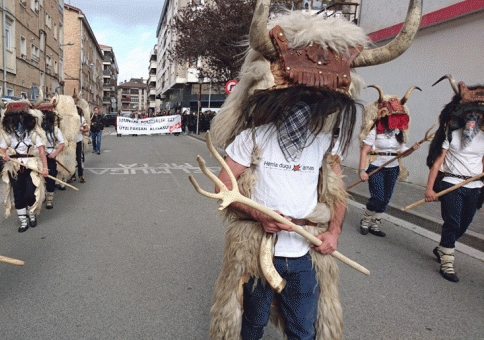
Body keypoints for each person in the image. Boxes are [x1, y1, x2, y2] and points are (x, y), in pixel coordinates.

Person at [206, 2, 420, 339]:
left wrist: (333, 232)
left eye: (312, 101)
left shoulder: (324, 145)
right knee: (251, 326)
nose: (301, 109)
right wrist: (258, 215)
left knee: (303, 329)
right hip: (256, 251)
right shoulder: (252, 138)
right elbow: (223, 187)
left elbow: (335, 195)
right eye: (295, 99)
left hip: (302, 255)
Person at [425, 75, 484, 283]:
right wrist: (430, 189)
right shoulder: (451, 132)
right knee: (452, 221)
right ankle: (447, 263)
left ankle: (443, 247)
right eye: (470, 115)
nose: (472, 120)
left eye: (477, 115)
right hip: (451, 183)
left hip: (474, 185)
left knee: (464, 223)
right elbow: (437, 162)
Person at [358, 85, 421, 237]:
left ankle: (375, 225)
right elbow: (365, 150)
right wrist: (362, 170)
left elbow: (402, 153)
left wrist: (411, 149)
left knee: (386, 198)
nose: (396, 120)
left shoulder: (399, 132)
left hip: (392, 168)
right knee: (377, 196)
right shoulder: (375, 130)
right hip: (376, 167)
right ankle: (365, 220)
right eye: (393, 117)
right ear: (385, 116)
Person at [0, 93, 48, 233]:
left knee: (30, 194)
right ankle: (23, 222)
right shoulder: (8, 134)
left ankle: (32, 214)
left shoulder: (34, 133)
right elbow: (1, 149)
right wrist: (5, 156)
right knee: (18, 195)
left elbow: (42, 152)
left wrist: (45, 168)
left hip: (30, 167)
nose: (19, 121)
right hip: (14, 168)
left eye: (21, 118)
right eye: (15, 118)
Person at [40, 107, 65, 209]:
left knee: (51, 178)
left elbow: (62, 143)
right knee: (41, 178)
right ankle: (43, 195)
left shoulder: (55, 129)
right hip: (40, 157)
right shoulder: (39, 130)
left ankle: (49, 200)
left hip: (50, 157)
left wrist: (54, 154)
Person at [71, 105, 89, 183]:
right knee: (72, 159)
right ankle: (73, 176)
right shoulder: (70, 119)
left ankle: (80, 175)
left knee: (78, 159)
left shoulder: (82, 119)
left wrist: (80, 130)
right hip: (71, 141)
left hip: (78, 140)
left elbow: (87, 129)